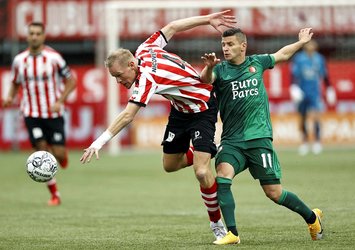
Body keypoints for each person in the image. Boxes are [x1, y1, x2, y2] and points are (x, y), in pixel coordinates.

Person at [80, 11, 237, 241]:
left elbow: (127, 116)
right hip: (180, 111)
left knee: (202, 172)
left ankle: (217, 224)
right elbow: (172, 26)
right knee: (169, 165)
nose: (118, 81)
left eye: (119, 75)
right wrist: (206, 20)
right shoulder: (144, 49)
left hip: (203, 107)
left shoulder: (146, 79)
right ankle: (206, 150)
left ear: (131, 65)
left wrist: (99, 142)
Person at [200, 28, 324, 245]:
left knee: (274, 193)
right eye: (223, 45)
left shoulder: (257, 63)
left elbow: (283, 54)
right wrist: (209, 67)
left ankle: (312, 217)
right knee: (222, 176)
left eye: (230, 44)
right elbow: (206, 79)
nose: (226, 48)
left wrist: (302, 42)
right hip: (232, 140)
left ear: (243, 46)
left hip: (259, 138)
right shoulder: (220, 70)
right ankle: (233, 234)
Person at [2, 22, 76, 206]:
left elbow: (71, 81)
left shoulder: (54, 58)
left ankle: (62, 155)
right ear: (28, 36)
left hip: (53, 113)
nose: (34, 37)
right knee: (41, 152)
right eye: (31, 33)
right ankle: (55, 195)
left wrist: (60, 101)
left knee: (58, 153)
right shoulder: (20, 60)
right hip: (31, 113)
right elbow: (15, 82)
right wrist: (9, 96)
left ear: (43, 36)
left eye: (38, 34)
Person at [290, 39, 336, 155]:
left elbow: (324, 75)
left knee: (316, 116)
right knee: (303, 117)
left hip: (315, 92)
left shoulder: (319, 59)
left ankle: (317, 141)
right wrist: (294, 87)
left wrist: (329, 88)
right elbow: (293, 75)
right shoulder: (299, 59)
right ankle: (304, 142)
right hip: (302, 92)